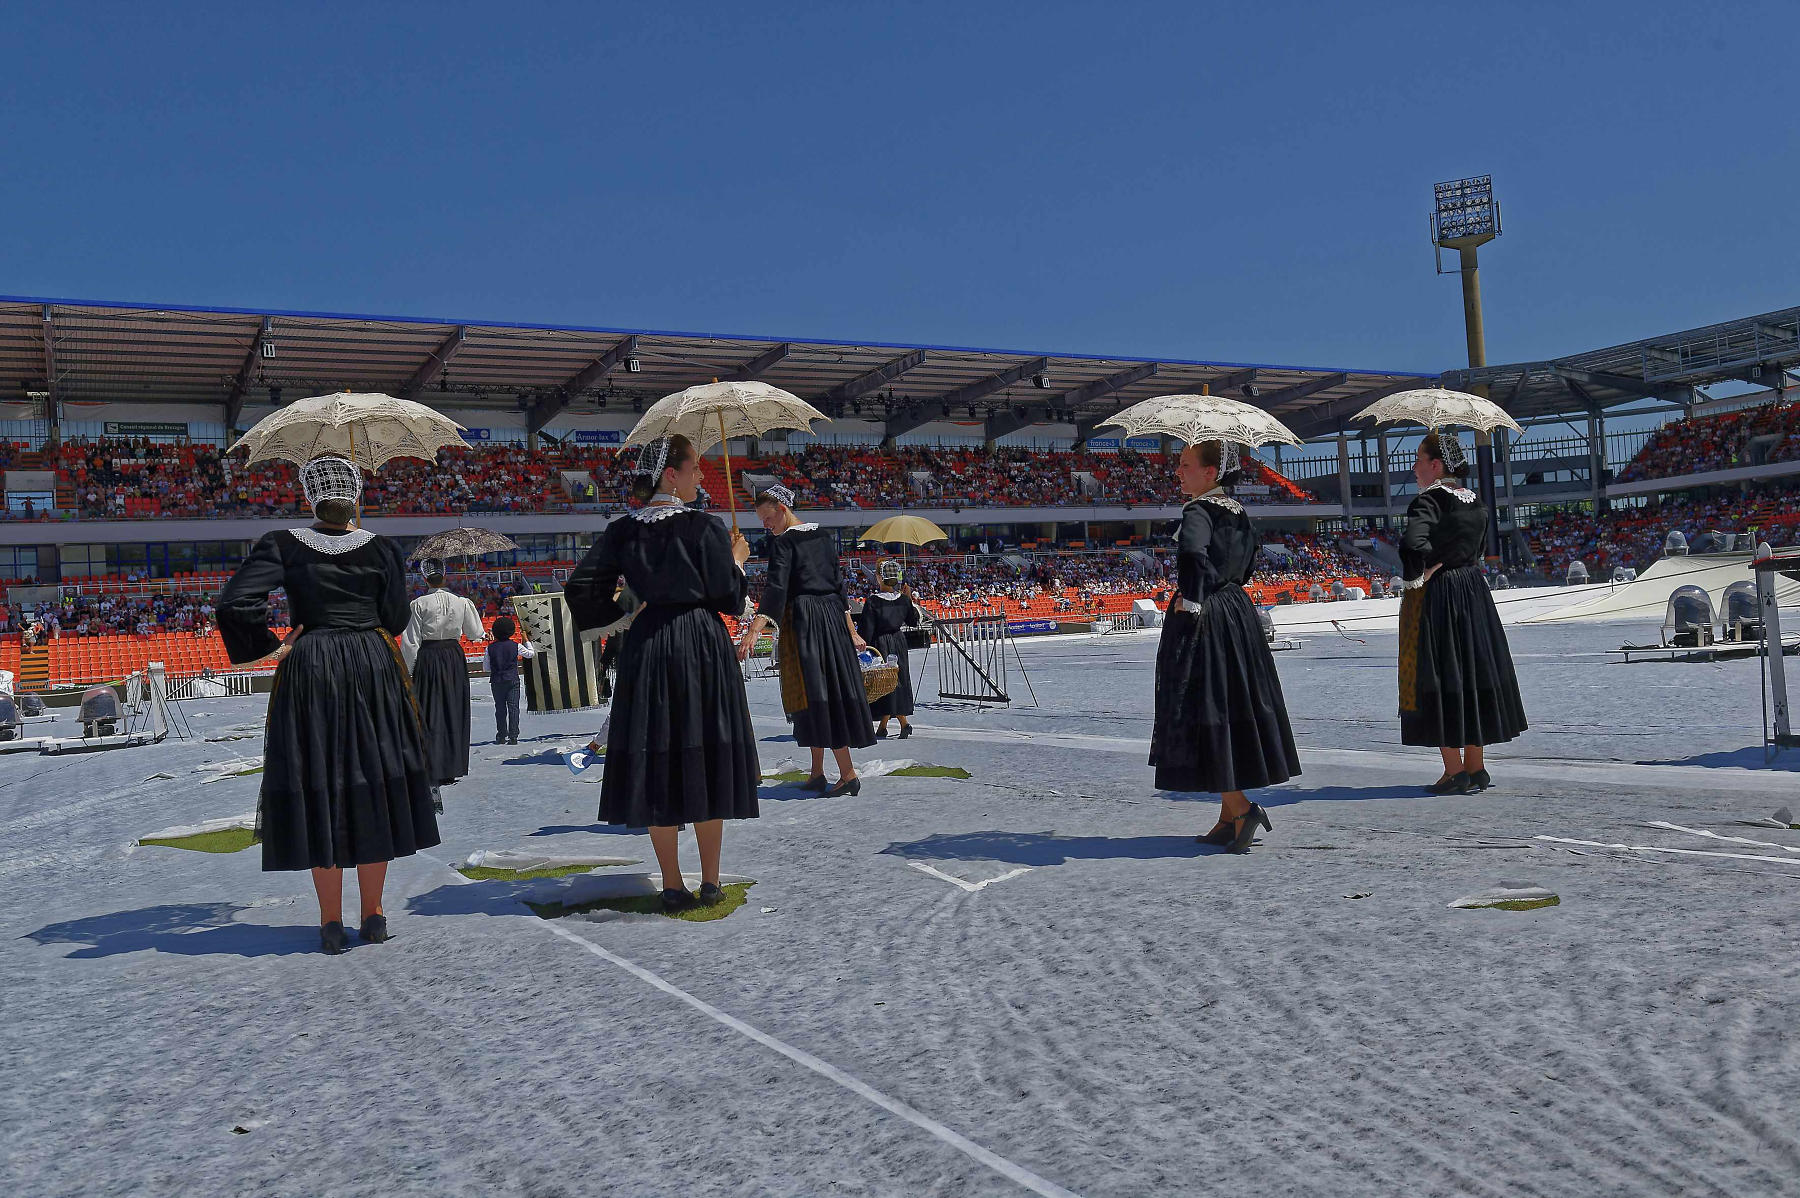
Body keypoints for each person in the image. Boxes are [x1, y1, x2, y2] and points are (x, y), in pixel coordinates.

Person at [215, 455, 438, 954]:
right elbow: (397, 618)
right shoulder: (382, 547)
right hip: (372, 664)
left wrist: (272, 644)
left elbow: (233, 603)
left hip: (312, 664)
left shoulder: (282, 542)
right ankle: (374, 914)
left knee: (321, 782)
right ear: (355, 498)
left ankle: (331, 922)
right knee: (375, 779)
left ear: (310, 498)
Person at [564, 435, 759, 913]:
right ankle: (710, 882)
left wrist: (628, 613)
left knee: (657, 758)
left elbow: (581, 589)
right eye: (695, 468)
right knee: (707, 752)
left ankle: (672, 883)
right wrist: (737, 560)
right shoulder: (705, 527)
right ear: (671, 474)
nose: (700, 476)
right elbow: (728, 598)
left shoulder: (622, 530)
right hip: (699, 643)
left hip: (649, 645)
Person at [1148, 440, 1300, 853]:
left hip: (1208, 615)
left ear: (1210, 472)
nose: (1177, 472)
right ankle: (1227, 817)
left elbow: (1193, 554)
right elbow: (1248, 563)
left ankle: (1243, 808)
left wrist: (1192, 598)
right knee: (1229, 707)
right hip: (1237, 610)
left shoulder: (1197, 509)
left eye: (1184, 465)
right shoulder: (1238, 511)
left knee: (1203, 706)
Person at [1397, 431, 1528, 793]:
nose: (1415, 467)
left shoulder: (1429, 502)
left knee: (1441, 674)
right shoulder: (1476, 503)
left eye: (1419, 459)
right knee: (1471, 672)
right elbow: (1481, 545)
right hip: (1473, 591)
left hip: (1441, 595)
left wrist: (1419, 573)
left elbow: (1412, 544)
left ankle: (1453, 771)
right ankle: (1475, 766)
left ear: (1436, 465)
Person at [736, 484, 875, 795]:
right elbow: (839, 590)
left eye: (767, 518)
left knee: (816, 694)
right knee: (822, 693)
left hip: (805, 622)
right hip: (831, 621)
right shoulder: (823, 536)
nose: (765, 525)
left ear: (782, 510)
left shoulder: (784, 543)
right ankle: (816, 773)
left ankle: (848, 773)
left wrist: (755, 628)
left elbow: (776, 590)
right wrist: (851, 631)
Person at [402, 558, 488, 803]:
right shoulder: (462, 602)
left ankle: (434, 766)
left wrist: (408, 671)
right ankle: (452, 766)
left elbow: (411, 642)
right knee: (453, 709)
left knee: (429, 710)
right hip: (453, 656)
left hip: (429, 657)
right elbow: (475, 633)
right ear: (445, 577)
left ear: (425, 578)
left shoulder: (418, 604)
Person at [855, 559, 921, 739]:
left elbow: (866, 630)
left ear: (879, 577)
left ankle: (903, 723)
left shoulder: (873, 601)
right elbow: (913, 621)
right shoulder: (903, 600)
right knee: (898, 679)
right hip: (899, 642)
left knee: (883, 682)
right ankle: (884, 726)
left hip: (881, 643)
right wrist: (908, 599)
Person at [484, 614, 535, 746]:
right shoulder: (516, 646)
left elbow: (486, 668)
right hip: (512, 680)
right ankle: (513, 736)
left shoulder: (489, 648)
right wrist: (526, 640)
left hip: (496, 681)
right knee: (514, 708)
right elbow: (530, 654)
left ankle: (501, 735)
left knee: (500, 709)